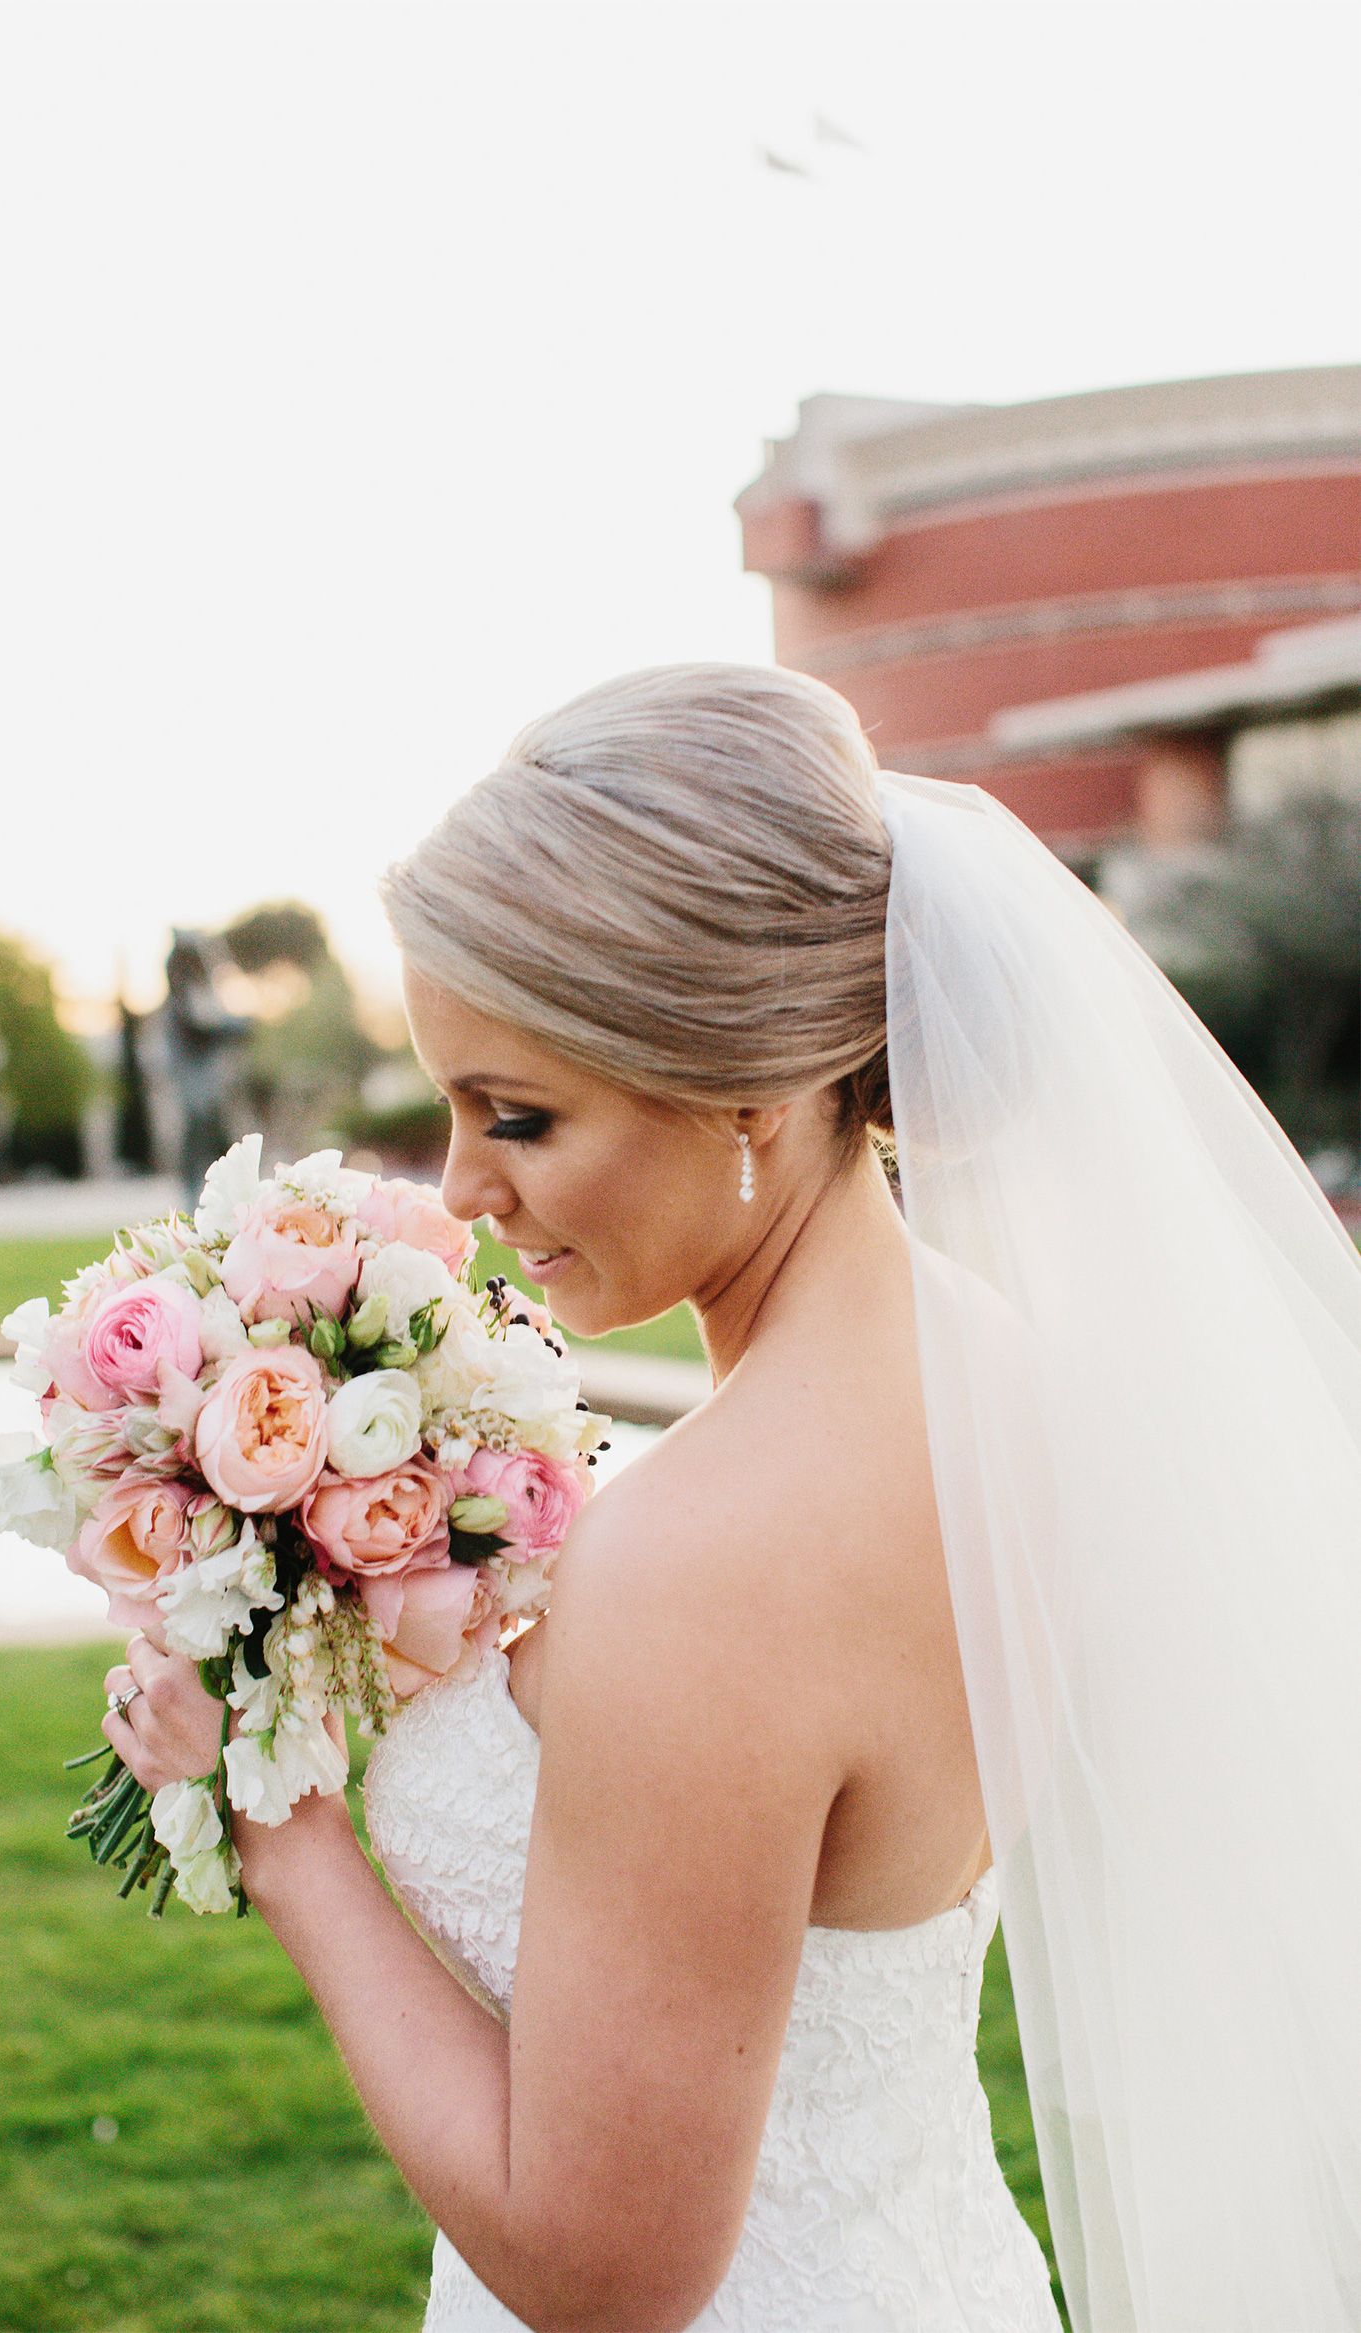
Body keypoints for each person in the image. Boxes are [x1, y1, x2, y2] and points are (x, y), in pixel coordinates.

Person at [104, 665, 1360, 2332]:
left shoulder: (705, 1563)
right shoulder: (1000, 1380)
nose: (463, 1187)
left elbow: (602, 2266)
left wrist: (285, 1832)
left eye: (520, 1116)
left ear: (744, 1087)